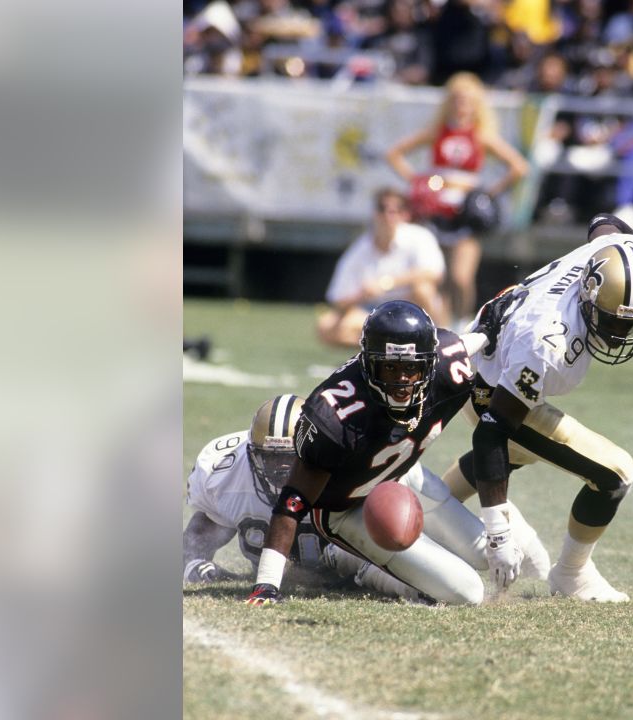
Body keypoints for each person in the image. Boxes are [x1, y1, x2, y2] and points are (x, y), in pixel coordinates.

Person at [440, 213, 633, 602]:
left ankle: (435, 505)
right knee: (615, 472)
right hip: (490, 387)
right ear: (589, 298)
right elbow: (491, 431)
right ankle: (572, 574)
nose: (620, 334)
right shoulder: (546, 343)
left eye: (631, 323)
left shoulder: (630, 252)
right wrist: (497, 530)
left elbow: (604, 224)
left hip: (496, 363)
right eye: (612, 322)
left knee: (517, 450)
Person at [245, 301, 550, 606]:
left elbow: (465, 344)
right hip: (347, 509)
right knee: (467, 592)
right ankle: (356, 564)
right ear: (368, 363)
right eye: (389, 367)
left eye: (411, 367)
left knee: (487, 552)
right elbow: (292, 502)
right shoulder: (334, 417)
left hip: (403, 476)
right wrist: (266, 585)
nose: (401, 380)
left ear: (429, 363)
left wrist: (489, 328)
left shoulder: (449, 370)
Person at [184, 394, 424, 600]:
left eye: (288, 457)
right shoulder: (227, 471)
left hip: (350, 562)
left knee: (357, 562)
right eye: (270, 457)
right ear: (253, 453)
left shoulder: (341, 463)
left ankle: (414, 590)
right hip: (275, 573)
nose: (279, 468)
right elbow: (207, 526)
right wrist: (193, 561)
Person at [386, 72, 528, 325]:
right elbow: (395, 154)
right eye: (457, 99)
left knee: (461, 277)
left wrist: (487, 193)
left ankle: (464, 323)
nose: (461, 105)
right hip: (436, 211)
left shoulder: (481, 135)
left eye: (467, 100)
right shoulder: (437, 132)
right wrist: (418, 182)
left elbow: (518, 166)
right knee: (437, 274)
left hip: (466, 213)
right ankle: (440, 329)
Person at [316, 188, 447, 347]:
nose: (388, 215)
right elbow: (338, 299)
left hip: (412, 309)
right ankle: (382, 348)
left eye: (396, 210)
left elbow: (434, 273)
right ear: (374, 213)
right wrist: (362, 295)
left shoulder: (419, 237)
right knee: (326, 325)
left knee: (423, 290)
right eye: (382, 209)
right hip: (376, 313)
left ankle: (432, 343)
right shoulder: (360, 248)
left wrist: (388, 282)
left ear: (405, 215)